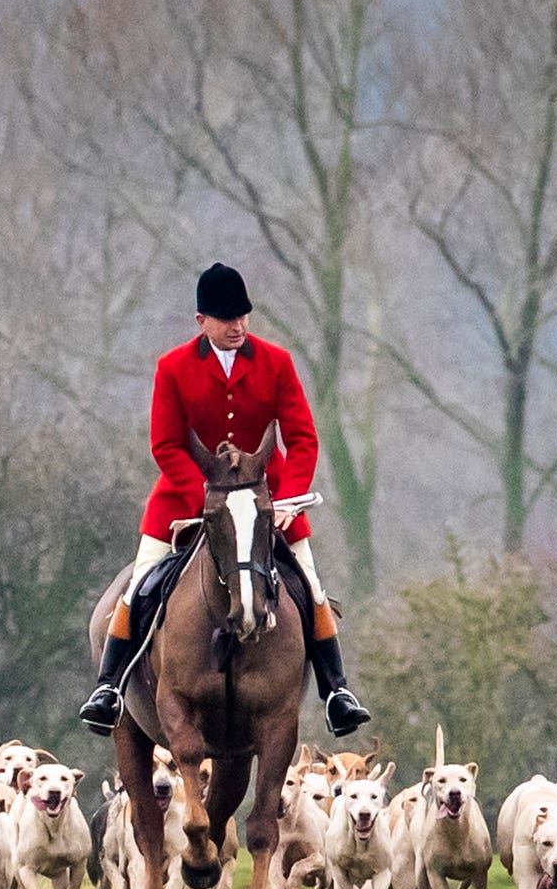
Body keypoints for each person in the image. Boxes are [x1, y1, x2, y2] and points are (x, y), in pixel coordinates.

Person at [80, 263, 370, 739]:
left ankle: (337, 691)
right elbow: (165, 445)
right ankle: (109, 688)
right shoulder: (172, 368)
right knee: (138, 588)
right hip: (185, 505)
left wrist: (289, 501)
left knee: (312, 587)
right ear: (202, 322)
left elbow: (302, 439)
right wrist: (210, 502)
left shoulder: (277, 362)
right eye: (227, 318)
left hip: (269, 507)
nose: (238, 326)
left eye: (244, 316)